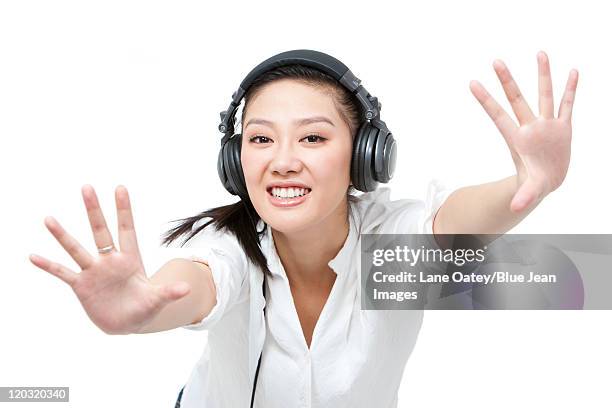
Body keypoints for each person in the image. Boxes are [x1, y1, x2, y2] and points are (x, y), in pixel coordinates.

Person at [28, 49, 578, 408]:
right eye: (261, 139)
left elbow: (452, 224)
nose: (282, 160)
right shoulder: (227, 247)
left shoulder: (389, 245)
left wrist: (524, 185)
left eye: (313, 138)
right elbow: (193, 284)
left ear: (365, 157)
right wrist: (143, 307)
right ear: (235, 160)